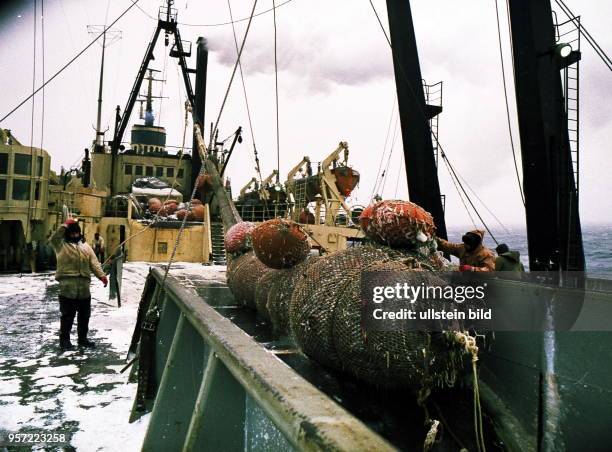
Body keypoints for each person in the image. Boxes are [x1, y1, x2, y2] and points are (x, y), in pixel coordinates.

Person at [50, 219, 108, 350]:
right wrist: (64, 225)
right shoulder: (60, 245)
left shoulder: (85, 246)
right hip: (67, 287)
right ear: (68, 233)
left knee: (84, 316)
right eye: (72, 233)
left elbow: (94, 262)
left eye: (77, 233)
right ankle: (64, 341)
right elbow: (55, 237)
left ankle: (83, 339)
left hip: (83, 288)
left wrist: (102, 276)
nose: (75, 236)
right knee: (67, 316)